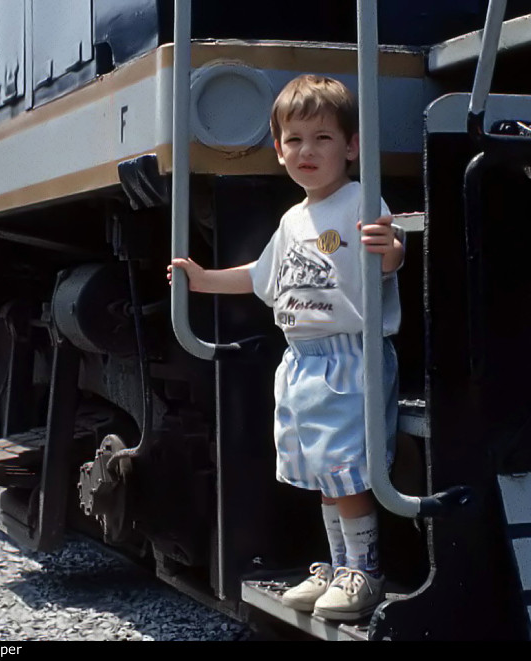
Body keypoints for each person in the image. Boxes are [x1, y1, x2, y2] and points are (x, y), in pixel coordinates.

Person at [168, 75, 404, 620]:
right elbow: (261, 274)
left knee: (346, 470)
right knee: (322, 472)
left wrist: (390, 250)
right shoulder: (293, 218)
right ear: (278, 151)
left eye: (322, 138)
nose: (306, 151)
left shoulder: (358, 199)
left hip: (348, 353)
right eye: (294, 140)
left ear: (350, 147)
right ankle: (338, 563)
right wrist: (203, 280)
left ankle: (364, 572)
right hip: (301, 358)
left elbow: (386, 252)